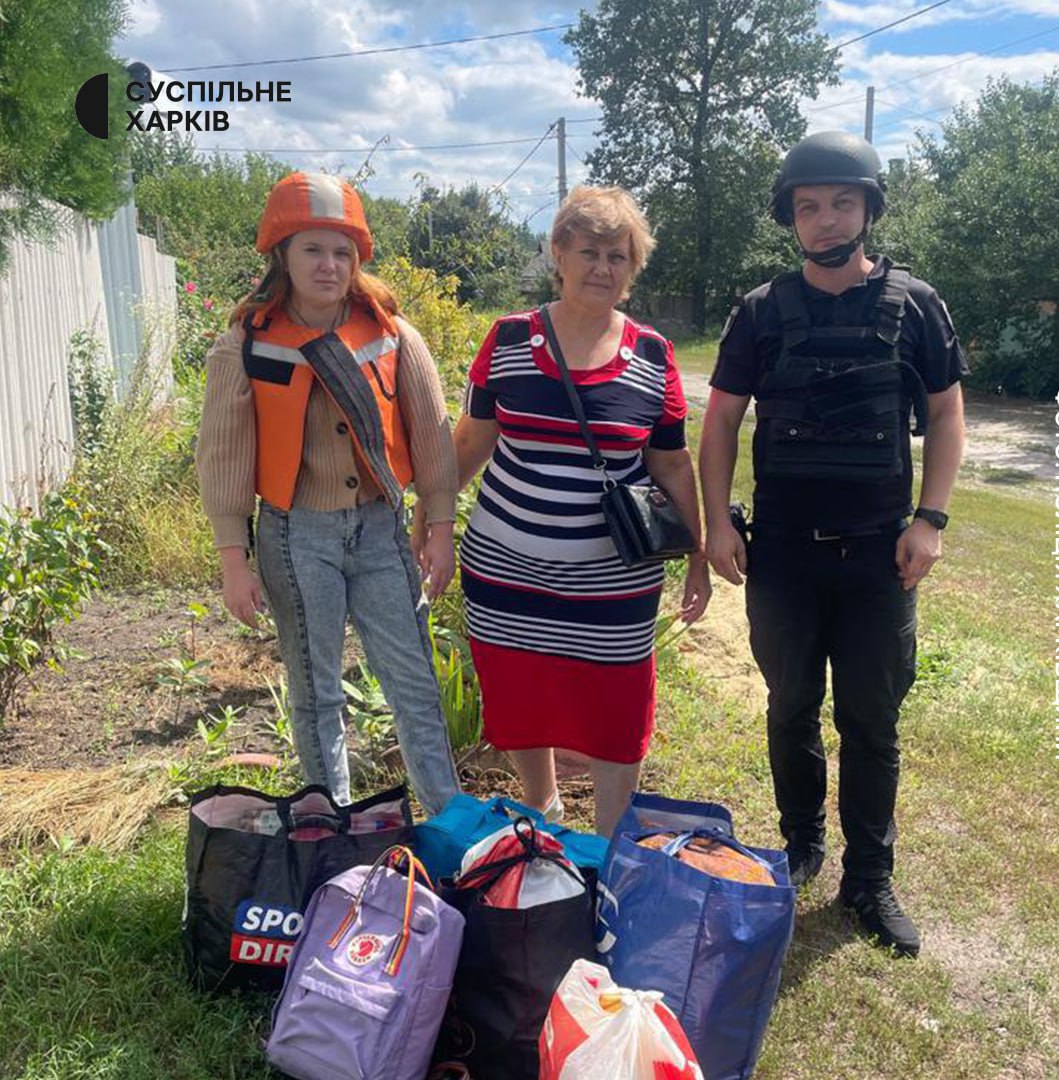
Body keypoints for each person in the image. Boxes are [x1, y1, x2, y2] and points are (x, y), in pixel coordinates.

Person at [699, 132, 966, 957]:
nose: (824, 219)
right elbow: (720, 424)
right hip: (781, 552)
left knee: (872, 720)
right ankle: (802, 845)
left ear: (869, 209)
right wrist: (715, 521)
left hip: (879, 558)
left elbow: (949, 413)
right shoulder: (759, 310)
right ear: (790, 219)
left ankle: (869, 879)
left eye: (841, 202)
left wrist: (931, 520)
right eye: (807, 206)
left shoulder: (915, 304)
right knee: (790, 708)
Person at [440, 185, 711, 837]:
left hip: (613, 586)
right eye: (588, 251)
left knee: (618, 715)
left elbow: (671, 464)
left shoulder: (653, 357)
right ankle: (543, 805)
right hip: (505, 577)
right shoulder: (506, 340)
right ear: (558, 253)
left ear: (632, 268)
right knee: (520, 702)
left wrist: (699, 554)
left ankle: (613, 842)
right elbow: (471, 442)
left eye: (618, 256)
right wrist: (433, 524)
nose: (602, 267)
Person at [196, 171, 461, 815]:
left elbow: (431, 433)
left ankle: (450, 821)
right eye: (313, 248)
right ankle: (331, 825)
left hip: (378, 529)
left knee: (414, 682)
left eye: (343, 251)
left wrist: (441, 527)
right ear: (281, 254)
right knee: (316, 690)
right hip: (296, 536)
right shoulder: (248, 345)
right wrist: (235, 560)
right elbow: (223, 458)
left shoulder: (392, 334)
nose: (330, 264)